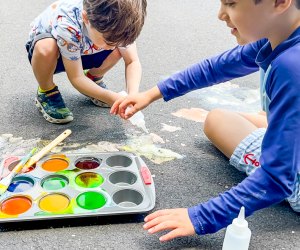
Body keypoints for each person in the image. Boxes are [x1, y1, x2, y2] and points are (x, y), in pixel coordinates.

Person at [111, 0, 300, 242]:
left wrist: (199, 216)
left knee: (225, 126)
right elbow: (217, 67)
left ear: (280, 2)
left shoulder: (291, 67)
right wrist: (152, 93)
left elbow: (276, 178)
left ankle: (277, 128)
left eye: (231, 4)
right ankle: (277, 126)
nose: (221, 14)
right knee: (217, 119)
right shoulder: (280, 34)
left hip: (293, 177)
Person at [25, 0, 147, 124]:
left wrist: (132, 95)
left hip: (86, 50)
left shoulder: (121, 26)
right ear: (86, 18)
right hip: (56, 55)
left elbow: (132, 61)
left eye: (118, 42)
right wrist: (111, 98)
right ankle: (47, 91)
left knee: (121, 50)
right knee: (46, 48)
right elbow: (76, 77)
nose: (112, 46)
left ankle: (93, 78)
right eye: (107, 41)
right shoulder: (67, 24)